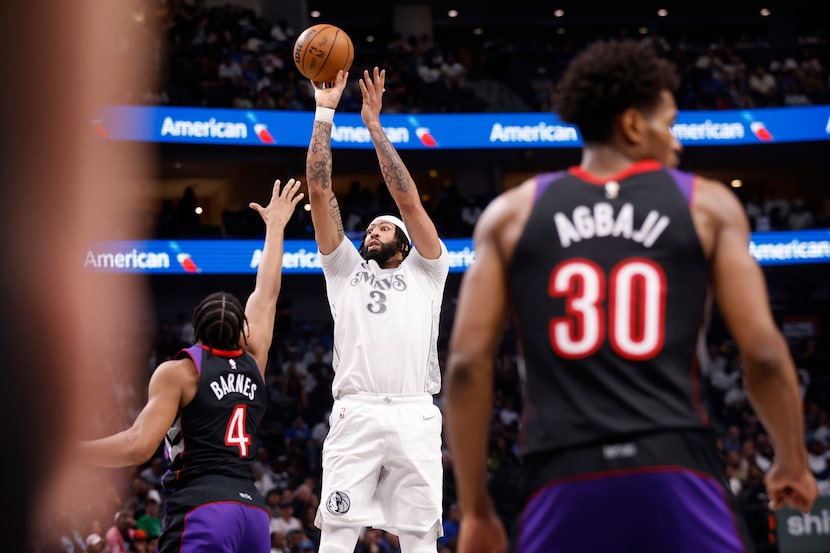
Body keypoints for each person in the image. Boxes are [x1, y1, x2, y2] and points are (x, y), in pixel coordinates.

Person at [443, 38, 817, 553]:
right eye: (670, 123)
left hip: (560, 474)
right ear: (634, 125)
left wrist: (478, 511)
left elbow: (464, 365)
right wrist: (791, 458)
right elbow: (767, 356)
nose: (677, 142)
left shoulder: (511, 214)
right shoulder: (705, 205)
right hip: (676, 462)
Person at [76, 178, 304, 553]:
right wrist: (276, 228)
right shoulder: (255, 358)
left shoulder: (181, 372)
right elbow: (267, 292)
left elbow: (137, 446)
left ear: (194, 329)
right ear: (242, 330)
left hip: (202, 508)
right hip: (253, 513)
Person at [305, 67, 450, 553]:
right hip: (357, 411)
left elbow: (407, 200)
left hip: (415, 413)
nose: (371, 233)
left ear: (405, 244)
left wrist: (373, 126)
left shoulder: (429, 270)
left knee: (419, 541)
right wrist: (325, 112)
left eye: (382, 230)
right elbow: (320, 192)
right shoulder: (345, 269)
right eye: (368, 229)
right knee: (337, 536)